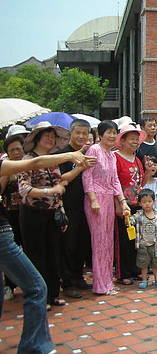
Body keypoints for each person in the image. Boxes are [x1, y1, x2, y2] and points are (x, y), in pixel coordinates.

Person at [0, 148, 94, 354]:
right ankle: (34, 346)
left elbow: (57, 175)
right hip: (5, 234)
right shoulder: (13, 163)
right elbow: (34, 164)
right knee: (36, 287)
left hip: (35, 221)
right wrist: (70, 155)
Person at [18, 123, 71, 309]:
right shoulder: (28, 159)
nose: (50, 139)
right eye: (46, 136)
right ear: (37, 139)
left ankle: (54, 294)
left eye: (52, 136)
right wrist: (48, 191)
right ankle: (41, 297)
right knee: (36, 255)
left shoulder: (52, 160)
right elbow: (24, 189)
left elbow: (59, 185)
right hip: (33, 214)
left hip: (52, 214)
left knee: (53, 253)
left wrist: (61, 209)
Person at [82, 120, 130, 296]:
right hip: (96, 201)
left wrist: (122, 201)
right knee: (99, 243)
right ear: (100, 134)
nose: (111, 135)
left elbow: (115, 180)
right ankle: (100, 285)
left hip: (109, 199)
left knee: (108, 242)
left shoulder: (111, 154)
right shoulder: (94, 150)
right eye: (108, 132)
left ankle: (108, 282)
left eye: (114, 132)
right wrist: (93, 199)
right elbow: (87, 177)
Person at [57, 119, 93, 299]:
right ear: (70, 133)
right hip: (68, 206)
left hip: (85, 205)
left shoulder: (88, 153)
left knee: (82, 243)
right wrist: (80, 166)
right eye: (77, 133)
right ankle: (68, 282)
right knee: (68, 245)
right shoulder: (62, 155)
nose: (81, 136)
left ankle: (79, 277)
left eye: (84, 134)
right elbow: (61, 179)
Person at [114, 124, 147, 285]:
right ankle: (123, 272)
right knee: (122, 240)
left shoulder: (137, 160)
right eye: (131, 139)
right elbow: (113, 183)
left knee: (135, 239)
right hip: (122, 205)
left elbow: (142, 182)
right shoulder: (116, 158)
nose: (135, 142)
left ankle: (135, 269)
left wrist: (148, 171)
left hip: (137, 204)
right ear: (123, 140)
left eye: (136, 140)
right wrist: (118, 204)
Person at [1, 135, 26, 302]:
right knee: (12, 250)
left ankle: (26, 283)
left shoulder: (27, 165)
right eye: (12, 150)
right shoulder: (5, 169)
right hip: (10, 214)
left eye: (18, 148)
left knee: (29, 249)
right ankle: (9, 285)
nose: (16, 152)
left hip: (27, 213)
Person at [132, 189, 157, 289]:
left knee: (155, 263)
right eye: (144, 202)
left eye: (149, 201)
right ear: (140, 203)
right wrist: (127, 217)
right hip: (143, 244)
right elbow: (131, 221)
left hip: (155, 245)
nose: (147, 204)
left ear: (154, 202)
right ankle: (144, 280)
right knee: (144, 263)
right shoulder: (139, 215)